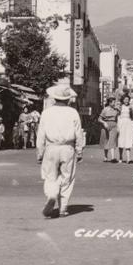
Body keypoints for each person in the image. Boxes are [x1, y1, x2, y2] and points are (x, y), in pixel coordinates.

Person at [37, 84, 84, 218]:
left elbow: (41, 134)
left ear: (54, 98)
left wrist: (39, 152)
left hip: (51, 147)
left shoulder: (46, 112)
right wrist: (79, 150)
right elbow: (78, 133)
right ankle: (63, 208)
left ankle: (51, 194)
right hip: (68, 148)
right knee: (67, 177)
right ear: (68, 99)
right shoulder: (73, 112)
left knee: (50, 176)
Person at [117, 95, 133, 163]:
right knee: (121, 140)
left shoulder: (130, 107)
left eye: (127, 99)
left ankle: (128, 158)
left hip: (128, 124)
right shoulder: (120, 107)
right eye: (125, 99)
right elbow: (118, 116)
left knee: (128, 140)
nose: (126, 101)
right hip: (121, 124)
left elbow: (132, 117)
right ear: (123, 100)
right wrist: (118, 126)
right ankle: (120, 157)